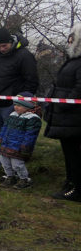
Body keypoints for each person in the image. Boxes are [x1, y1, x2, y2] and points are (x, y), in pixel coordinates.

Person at [0, 27, 38, 177]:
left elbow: (31, 81)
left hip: (13, 105)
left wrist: (21, 103)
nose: (1, 49)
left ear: (11, 42)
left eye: (4, 46)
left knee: (13, 139)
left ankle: (16, 172)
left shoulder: (24, 55)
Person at [43, 23, 81, 201]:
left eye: (72, 36)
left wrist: (65, 103)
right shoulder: (72, 60)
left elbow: (79, 88)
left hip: (74, 117)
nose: (69, 39)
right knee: (69, 151)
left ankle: (77, 189)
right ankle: (70, 182)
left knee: (75, 153)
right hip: (67, 117)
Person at [0, 93, 42, 189]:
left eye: (19, 105)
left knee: (17, 164)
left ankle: (24, 179)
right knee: (4, 162)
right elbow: (5, 127)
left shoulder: (32, 118)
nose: (16, 107)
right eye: (15, 105)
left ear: (28, 106)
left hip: (18, 146)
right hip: (6, 144)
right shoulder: (12, 115)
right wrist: (0, 138)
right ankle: (10, 177)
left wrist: (26, 146)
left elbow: (30, 134)